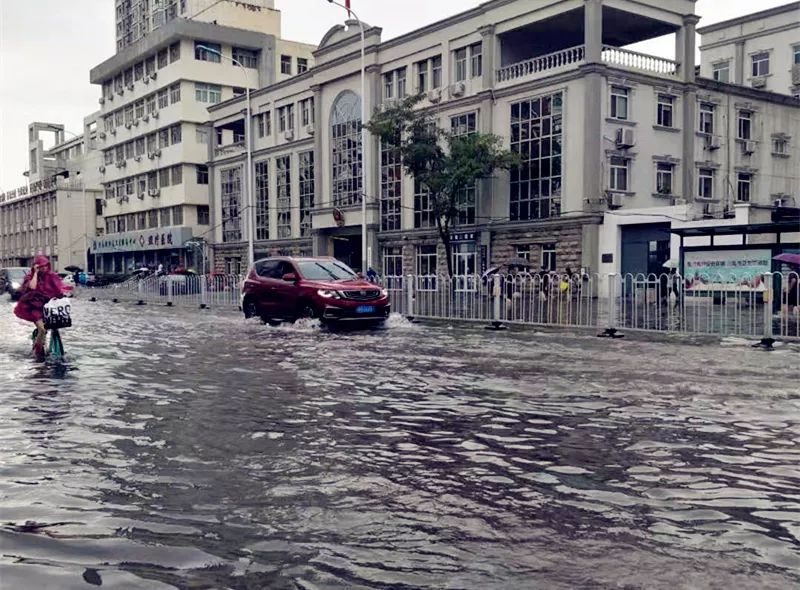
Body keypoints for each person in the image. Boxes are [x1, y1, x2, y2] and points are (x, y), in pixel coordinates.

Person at [14, 255, 67, 361]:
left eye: (45, 266)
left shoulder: (51, 276)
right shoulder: (30, 277)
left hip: (48, 307)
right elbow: (32, 287)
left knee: (52, 326)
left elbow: (59, 290)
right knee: (42, 330)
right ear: (36, 267)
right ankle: (37, 352)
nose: (44, 268)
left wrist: (62, 296)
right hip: (34, 307)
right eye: (41, 266)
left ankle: (47, 344)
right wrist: (36, 273)